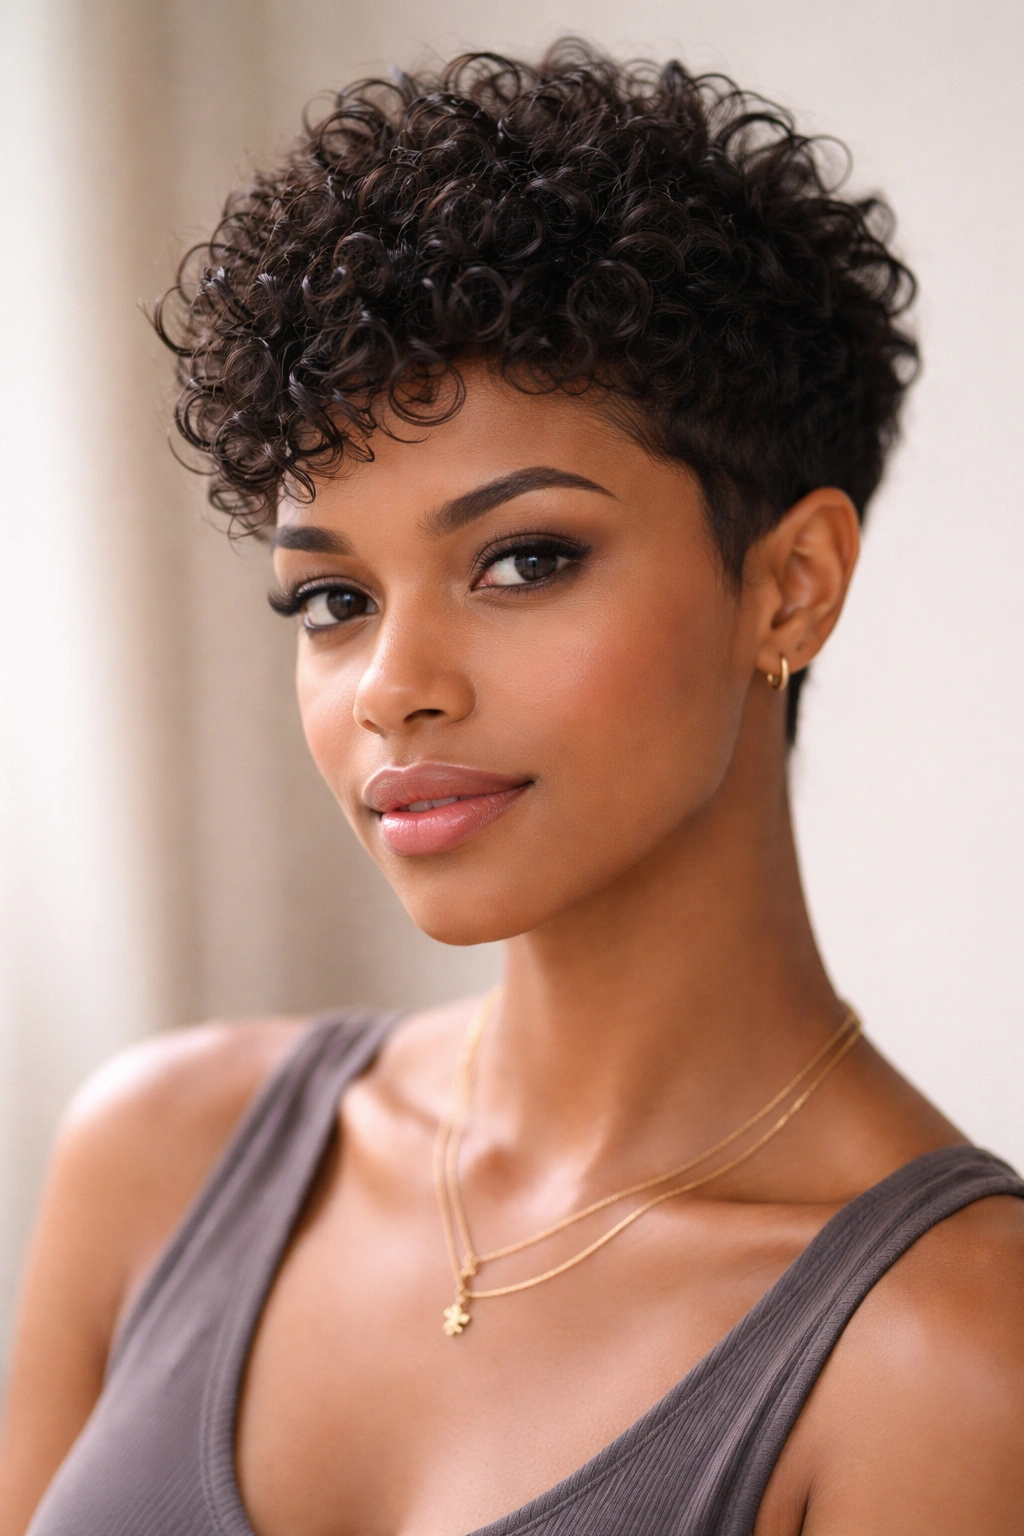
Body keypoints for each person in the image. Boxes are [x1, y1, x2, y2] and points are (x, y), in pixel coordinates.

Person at [1, 41, 1022, 1536]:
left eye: (523, 559)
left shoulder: (950, 1355)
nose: (393, 683)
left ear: (790, 588)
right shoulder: (161, 1154)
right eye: (331, 598)